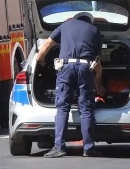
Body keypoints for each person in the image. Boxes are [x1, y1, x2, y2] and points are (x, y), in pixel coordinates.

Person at [35, 11, 103, 158]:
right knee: (86, 109)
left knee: (62, 107)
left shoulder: (65, 25)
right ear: (90, 22)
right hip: (86, 68)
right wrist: (99, 85)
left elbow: (47, 43)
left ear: (75, 19)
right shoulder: (95, 31)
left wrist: (39, 59)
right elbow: (97, 62)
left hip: (65, 68)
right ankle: (88, 148)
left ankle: (59, 147)